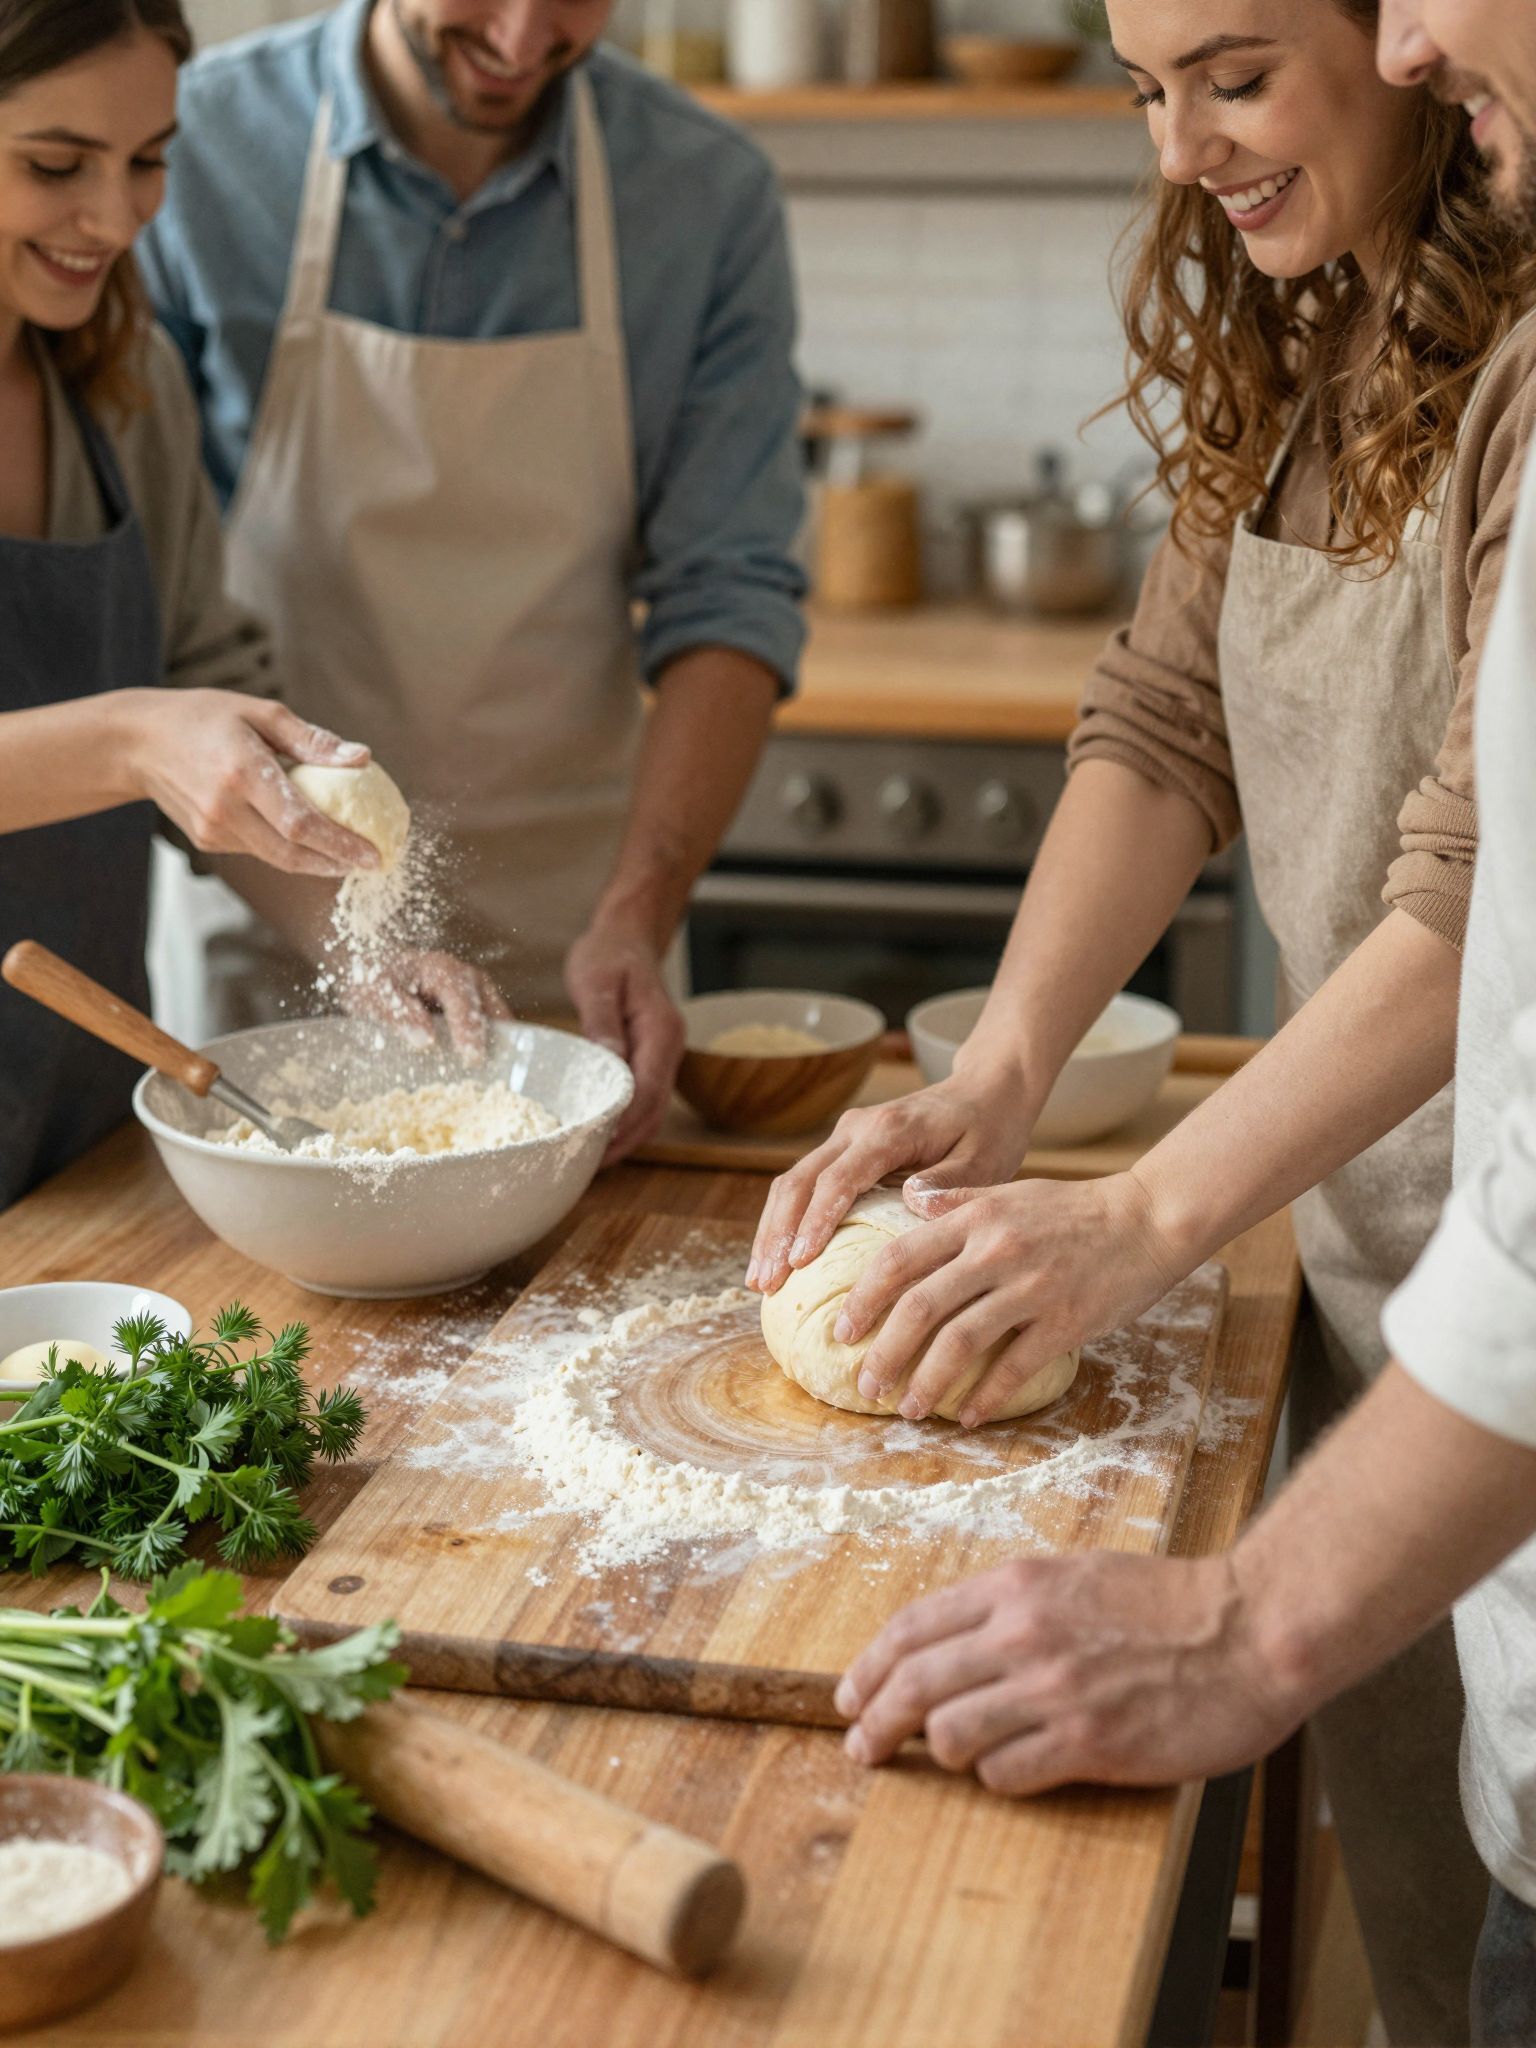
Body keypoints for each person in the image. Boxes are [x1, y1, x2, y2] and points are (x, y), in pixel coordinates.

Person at [752, 2, 1536, 2037]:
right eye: (1143, 89)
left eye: (1236, 73)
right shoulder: (1305, 317)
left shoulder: (1523, 368)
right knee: (1445, 1927)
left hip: (1507, 1306)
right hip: (1371, 1265)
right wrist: (999, 1075)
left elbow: (1476, 910)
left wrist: (1140, 1218)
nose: (1182, 149)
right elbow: (1168, 715)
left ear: (1402, 46)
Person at [136, 0, 807, 1159]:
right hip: (277, 938)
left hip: (585, 938)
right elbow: (159, 619)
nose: (522, 35)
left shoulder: (704, 195)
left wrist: (636, 914)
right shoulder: (184, 152)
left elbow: (729, 598)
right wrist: (334, 922)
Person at [0, 0, 500, 1211]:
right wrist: (131, 739)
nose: (116, 218)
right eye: (56, 165)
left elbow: (195, 672)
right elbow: (153, 729)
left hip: (69, 1113)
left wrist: (361, 934)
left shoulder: (123, 384)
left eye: (149, 160)